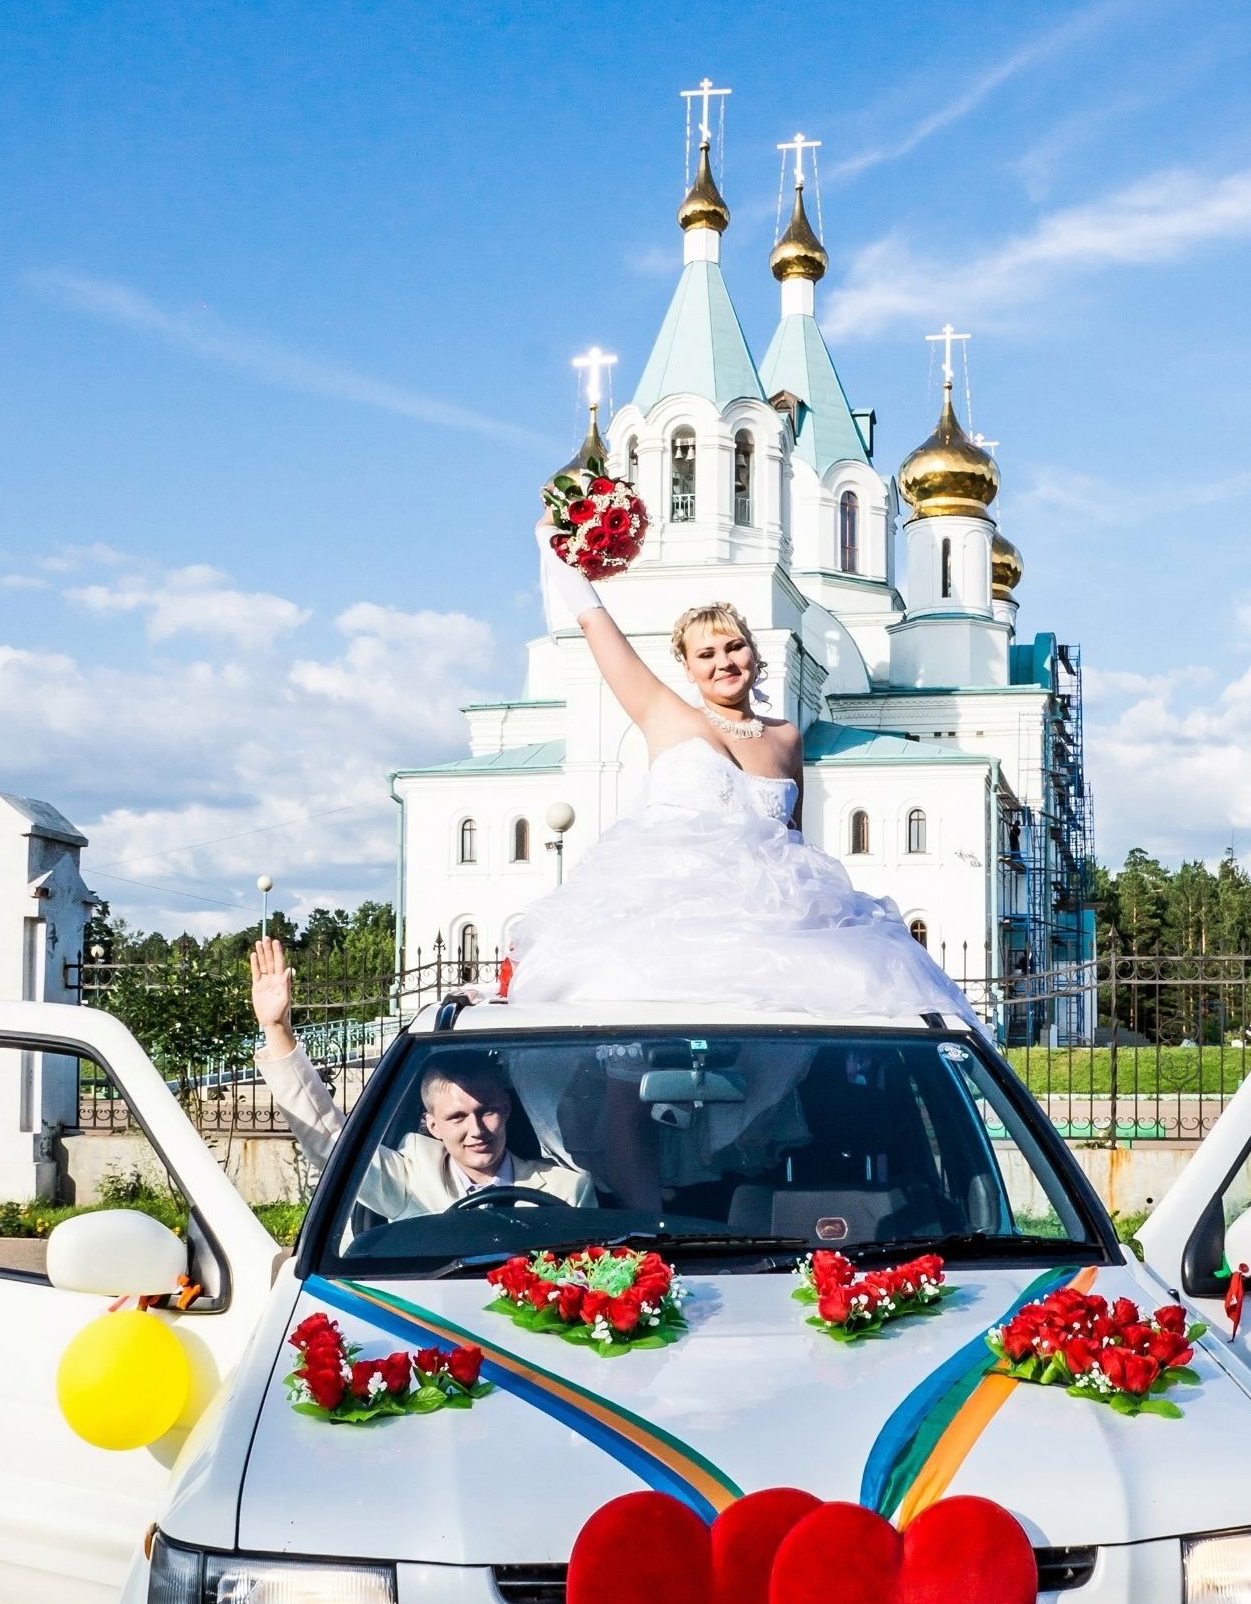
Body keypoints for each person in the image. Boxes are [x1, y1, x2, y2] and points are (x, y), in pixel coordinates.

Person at [505, 521, 982, 1025]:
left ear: (754, 653)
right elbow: (592, 622)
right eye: (706, 655)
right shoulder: (665, 716)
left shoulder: (785, 738)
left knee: (852, 992)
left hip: (775, 917)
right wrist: (552, 545)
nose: (724, 662)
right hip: (668, 913)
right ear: (687, 668)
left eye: (733, 647)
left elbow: (792, 837)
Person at [249, 936, 595, 1216]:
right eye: (456, 1116)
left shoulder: (567, 1189)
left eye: (486, 1110)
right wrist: (276, 1028)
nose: (476, 1130)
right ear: (432, 1125)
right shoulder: (407, 1181)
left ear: (505, 1109)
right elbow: (327, 1140)